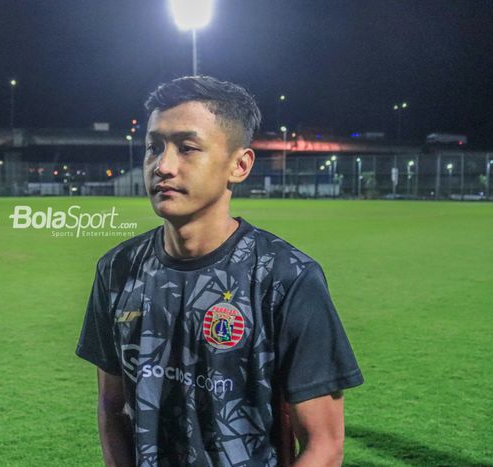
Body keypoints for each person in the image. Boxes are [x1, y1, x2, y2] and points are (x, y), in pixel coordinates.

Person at [76, 76, 364, 466]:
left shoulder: (288, 278)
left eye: (187, 148)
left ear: (239, 165)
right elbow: (112, 409)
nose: (163, 166)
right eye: (153, 147)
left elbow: (324, 446)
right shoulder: (117, 269)